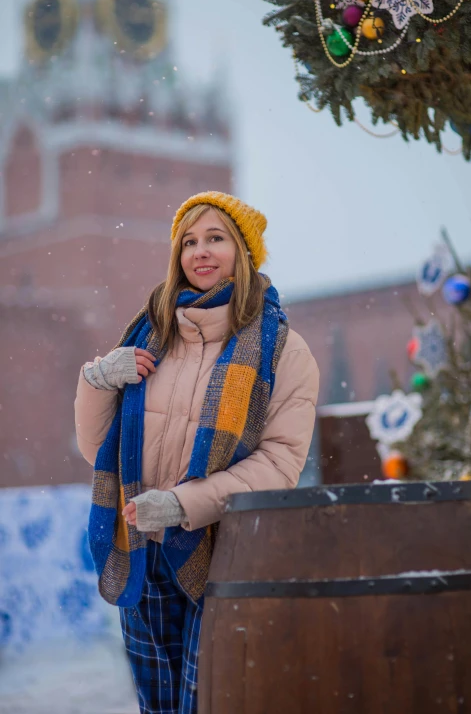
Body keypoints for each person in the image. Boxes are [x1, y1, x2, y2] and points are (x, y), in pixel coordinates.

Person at [74, 191, 319, 714]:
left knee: (208, 702)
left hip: (225, 555)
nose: (200, 252)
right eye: (189, 241)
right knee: (158, 707)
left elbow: (280, 465)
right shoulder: (152, 335)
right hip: (141, 548)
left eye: (216, 239)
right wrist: (97, 382)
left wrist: (186, 504)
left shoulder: (281, 349)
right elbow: (98, 449)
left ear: (245, 254)